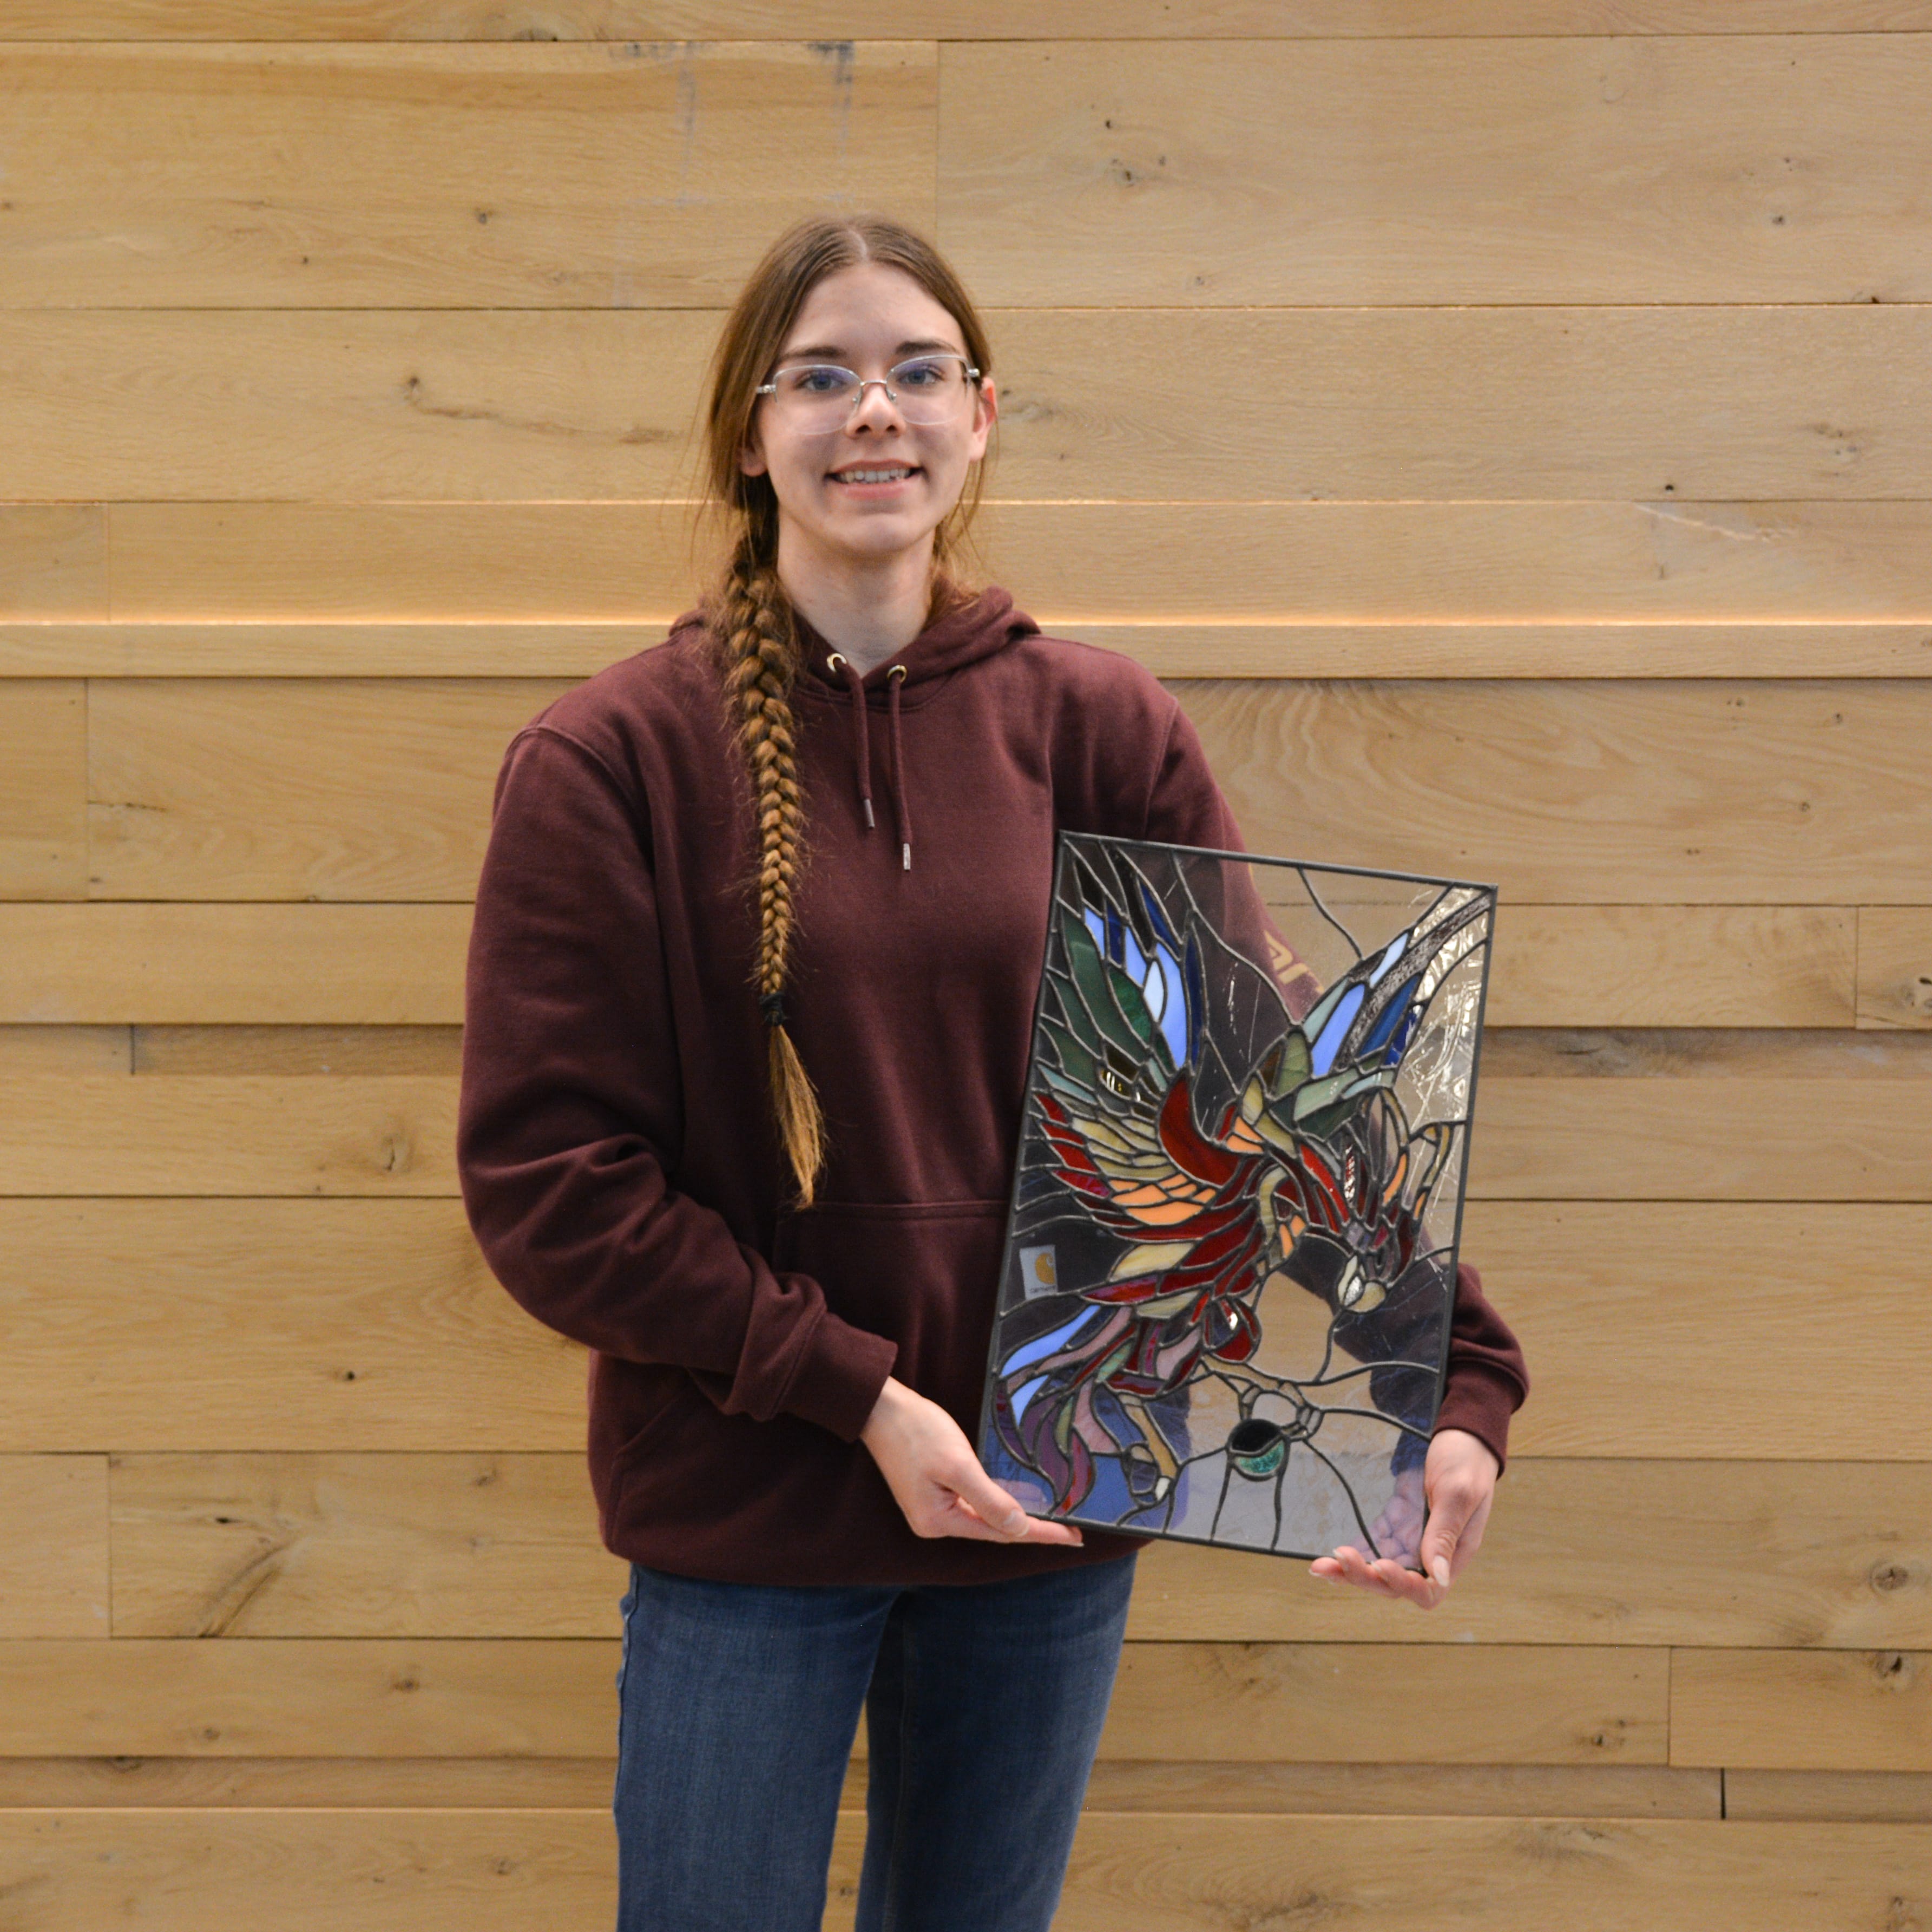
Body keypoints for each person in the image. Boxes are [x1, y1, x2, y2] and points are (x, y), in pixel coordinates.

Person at [456, 212, 1529, 1932]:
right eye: (819, 376)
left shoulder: (1097, 727)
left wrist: (1445, 1385)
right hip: (753, 1508)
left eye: (913, 370)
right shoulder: (613, 760)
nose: (870, 410)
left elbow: (1263, 1102)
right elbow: (550, 1188)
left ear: (982, 416)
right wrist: (858, 1398)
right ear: (752, 435)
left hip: (1050, 1494)